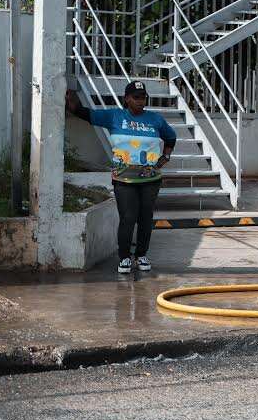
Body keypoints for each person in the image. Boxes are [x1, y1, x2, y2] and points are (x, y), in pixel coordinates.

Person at [66, 81, 177, 275]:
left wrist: (165, 157)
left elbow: (170, 137)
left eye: (143, 98)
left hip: (150, 180)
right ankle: (124, 257)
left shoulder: (155, 119)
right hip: (124, 180)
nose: (141, 102)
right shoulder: (114, 116)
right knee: (128, 217)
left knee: (145, 218)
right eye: (136, 98)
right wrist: (72, 102)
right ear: (127, 99)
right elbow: (86, 114)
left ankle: (141, 255)